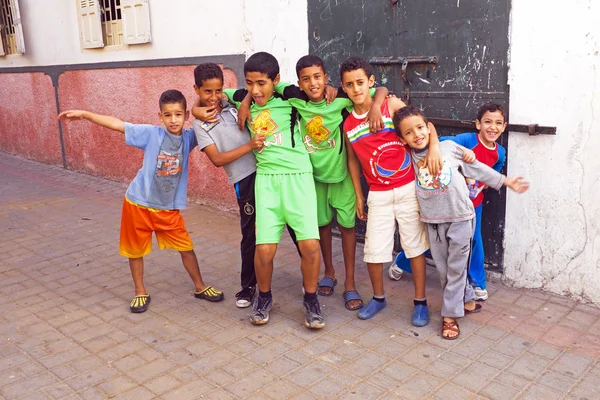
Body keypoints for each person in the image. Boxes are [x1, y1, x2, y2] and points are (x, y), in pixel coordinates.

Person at [57, 90, 224, 313]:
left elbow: (210, 117)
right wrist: (86, 114)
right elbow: (117, 124)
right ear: (160, 116)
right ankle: (140, 292)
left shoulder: (189, 137)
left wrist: (199, 105)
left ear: (185, 115)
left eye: (178, 115)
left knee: (187, 248)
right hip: (138, 204)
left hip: (167, 209)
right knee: (135, 252)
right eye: (167, 115)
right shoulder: (150, 134)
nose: (173, 120)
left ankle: (200, 286)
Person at [394, 105, 529, 339]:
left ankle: (450, 316)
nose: (417, 135)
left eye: (420, 128)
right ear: (402, 139)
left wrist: (506, 181)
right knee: (445, 268)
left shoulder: (449, 148)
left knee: (456, 268)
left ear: (428, 128)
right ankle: (465, 299)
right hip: (433, 223)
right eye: (409, 132)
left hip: (461, 218)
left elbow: (477, 168)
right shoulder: (407, 158)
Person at [269, 55, 388, 311]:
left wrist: (377, 106)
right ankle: (329, 272)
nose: (313, 83)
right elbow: (265, 84)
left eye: (318, 77)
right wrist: (245, 102)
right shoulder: (294, 97)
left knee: (347, 229)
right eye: (306, 79)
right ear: (299, 83)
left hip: (342, 177)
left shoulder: (341, 100)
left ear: (326, 78)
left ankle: (350, 283)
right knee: (322, 226)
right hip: (313, 180)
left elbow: (381, 89)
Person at [222, 52, 324, 329]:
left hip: (298, 178)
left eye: (262, 83)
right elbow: (210, 97)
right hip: (266, 181)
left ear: (276, 80)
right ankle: (264, 297)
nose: (256, 90)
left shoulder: (290, 96)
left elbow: (317, 93)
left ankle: (311, 299)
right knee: (264, 250)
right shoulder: (245, 96)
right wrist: (244, 102)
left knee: (310, 245)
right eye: (250, 83)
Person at [340, 56, 442, 323]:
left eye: (361, 82)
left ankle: (420, 301)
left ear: (371, 82)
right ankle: (378, 298)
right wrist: (359, 195)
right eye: (349, 85)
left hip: (408, 188)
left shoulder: (389, 104)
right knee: (374, 250)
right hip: (378, 193)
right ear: (343, 87)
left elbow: (423, 125)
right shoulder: (348, 125)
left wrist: (434, 148)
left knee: (415, 247)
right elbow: (352, 159)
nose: (356, 89)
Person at [388, 103, 507, 301]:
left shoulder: (500, 151)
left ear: (504, 127)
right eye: (487, 122)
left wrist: (486, 182)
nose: (492, 127)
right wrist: (440, 150)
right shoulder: (466, 139)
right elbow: (440, 142)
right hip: (441, 200)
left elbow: (497, 165)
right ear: (478, 124)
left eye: (498, 123)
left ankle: (477, 282)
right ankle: (402, 262)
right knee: (432, 243)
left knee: (473, 241)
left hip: (470, 203)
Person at [190, 63, 265, 308]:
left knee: (291, 226)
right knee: (250, 234)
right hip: (243, 180)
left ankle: (313, 278)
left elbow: (251, 94)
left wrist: (240, 103)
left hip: (268, 172)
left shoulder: (231, 103)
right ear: (197, 90)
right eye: (207, 92)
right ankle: (248, 287)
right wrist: (249, 146)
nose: (213, 97)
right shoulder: (200, 124)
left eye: (218, 91)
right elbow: (217, 159)